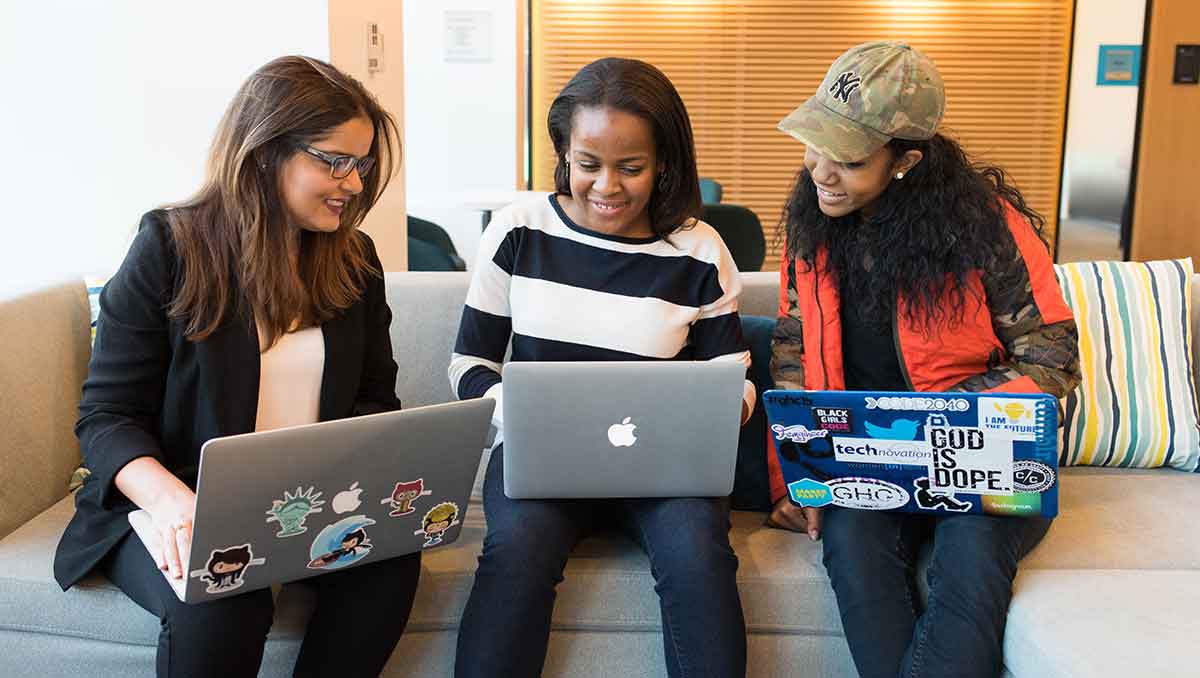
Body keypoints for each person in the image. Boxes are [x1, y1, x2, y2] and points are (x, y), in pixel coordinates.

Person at [53, 55, 420, 678]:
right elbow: (107, 416)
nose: (354, 183)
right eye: (333, 161)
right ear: (264, 152)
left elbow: (373, 401)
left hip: (307, 504)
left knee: (389, 566)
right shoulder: (168, 246)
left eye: (360, 164)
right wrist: (173, 503)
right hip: (169, 505)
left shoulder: (354, 260)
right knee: (228, 593)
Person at [766, 42, 1081, 678]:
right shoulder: (811, 227)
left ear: (905, 161)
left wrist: (933, 420)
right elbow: (793, 355)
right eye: (814, 144)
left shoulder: (986, 229)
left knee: (968, 561)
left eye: (848, 159)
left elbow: (1051, 360)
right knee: (852, 550)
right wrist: (791, 481)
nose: (820, 170)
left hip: (984, 455)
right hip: (864, 459)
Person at [449, 57, 755, 678]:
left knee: (698, 555)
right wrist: (525, 412)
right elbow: (469, 365)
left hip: (664, 466)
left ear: (664, 161)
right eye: (588, 164)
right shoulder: (518, 231)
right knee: (516, 551)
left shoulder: (698, 250)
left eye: (631, 168)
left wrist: (721, 412)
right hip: (541, 456)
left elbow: (737, 379)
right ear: (563, 152)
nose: (607, 186)